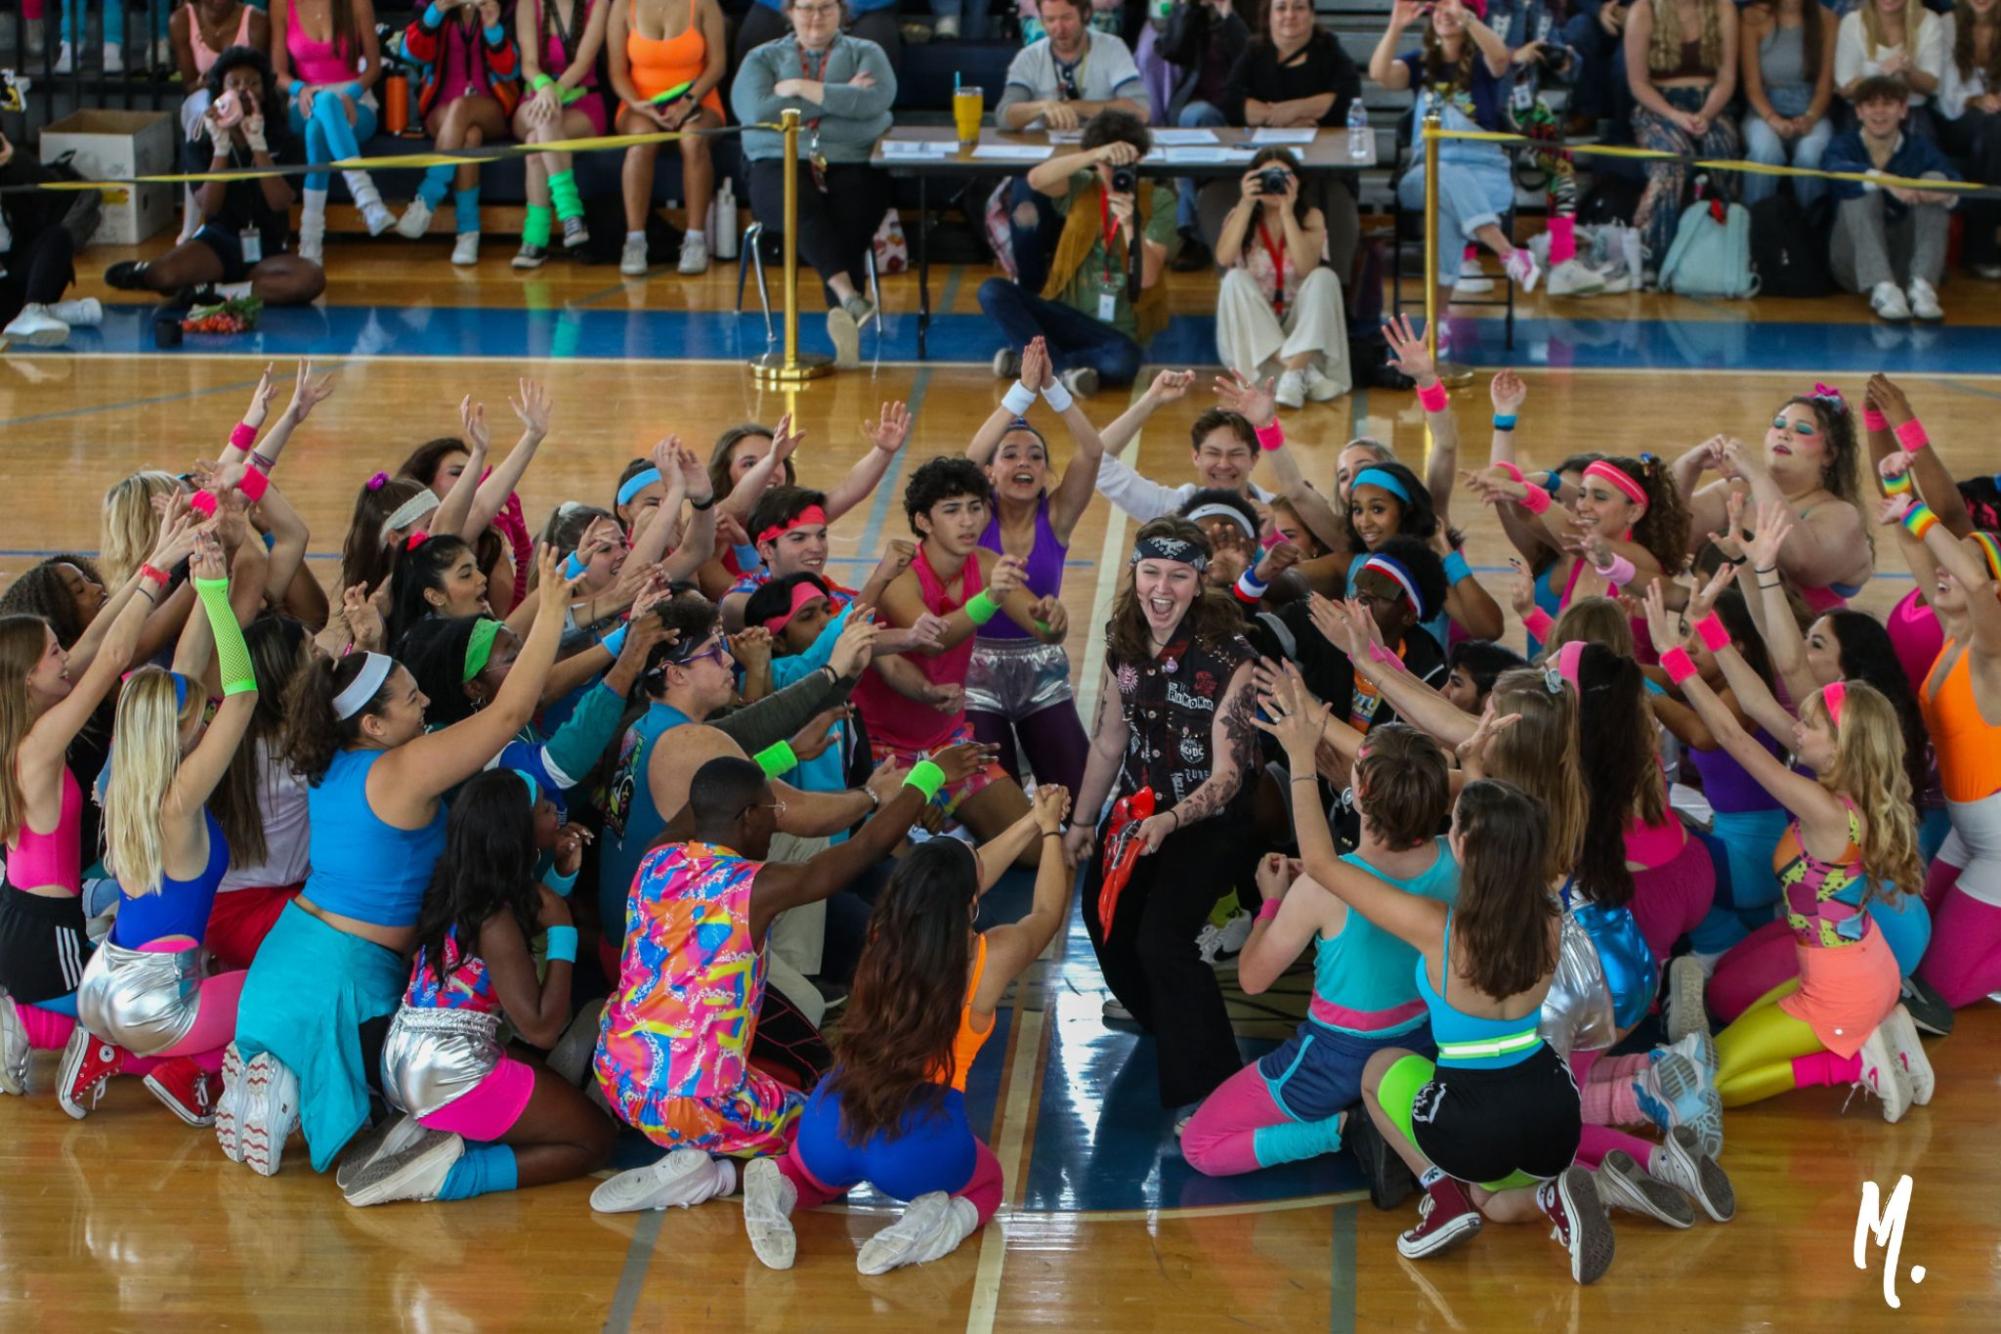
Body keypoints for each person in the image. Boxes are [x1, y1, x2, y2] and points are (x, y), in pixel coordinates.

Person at [218, 548, 572, 1178]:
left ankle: (270, 1078)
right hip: (345, 979)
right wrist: (553, 609)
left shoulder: (330, 757)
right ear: (375, 724)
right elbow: (510, 713)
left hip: (291, 954)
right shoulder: (404, 770)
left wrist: (372, 644)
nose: (427, 703)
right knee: (382, 1124)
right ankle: (287, 1089)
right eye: (412, 698)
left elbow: (360, 693)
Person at [1256, 668, 1613, 1285]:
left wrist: (1300, 761)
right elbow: (1495, 838)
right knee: (1498, 1202)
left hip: (1474, 1117)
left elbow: (1318, 860)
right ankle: (1552, 1197)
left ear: (1466, 850)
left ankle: (1442, 1196)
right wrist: (1474, 770)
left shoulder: (1436, 927)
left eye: (1455, 832)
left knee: (1376, 1073)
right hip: (1555, 1109)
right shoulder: (1551, 915)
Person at [587, 747, 982, 1212]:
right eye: (771, 811)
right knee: (831, 1145)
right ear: (749, 816)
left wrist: (780, 756)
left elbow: (706, 798)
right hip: (696, 1105)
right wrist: (931, 774)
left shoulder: (656, 860)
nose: (777, 822)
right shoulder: (755, 887)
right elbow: (865, 849)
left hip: (617, 1079)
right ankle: (710, 1176)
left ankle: (695, 1159)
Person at [738, 788, 1072, 1273]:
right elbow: (1045, 914)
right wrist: (1047, 830)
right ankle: (929, 1223)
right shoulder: (986, 958)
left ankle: (782, 1186)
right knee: (987, 1181)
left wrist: (1028, 821)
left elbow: (962, 876)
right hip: (918, 1142)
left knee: (813, 1177)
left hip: (831, 1117)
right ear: (971, 905)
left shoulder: (881, 935)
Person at [1641, 583, 1933, 1123]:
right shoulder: (1831, 775)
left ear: (1842, 745)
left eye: (1811, 725)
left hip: (1839, 994)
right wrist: (1708, 630)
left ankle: (1853, 1065)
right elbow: (1752, 702)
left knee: (1710, 1091)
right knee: (1714, 1056)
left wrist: (1674, 659)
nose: (1796, 728)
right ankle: (1877, 1031)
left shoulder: (1827, 811)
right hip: (1850, 972)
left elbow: (1731, 734)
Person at [1182, 725, 1458, 1179]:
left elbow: (1252, 978)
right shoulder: (1459, 858)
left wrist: (1273, 899)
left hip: (1333, 1061)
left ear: (1361, 792)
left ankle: (1346, 1129)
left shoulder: (1319, 888)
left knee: (1200, 1145)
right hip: (1422, 1045)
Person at [337, 771, 614, 1206]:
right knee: (595, 1139)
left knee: (541, 1076)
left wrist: (558, 876)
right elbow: (541, 1028)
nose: (553, 812)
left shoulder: (455, 889)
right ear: (516, 832)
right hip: (449, 1072)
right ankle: (452, 1176)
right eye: (543, 808)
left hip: (403, 1058)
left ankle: (419, 1127)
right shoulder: (495, 920)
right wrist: (564, 930)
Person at [0, 510, 200, 1105]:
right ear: (30, 677)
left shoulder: (24, 724)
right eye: (54, 653)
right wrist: (159, 569)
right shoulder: (36, 747)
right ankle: (19, 1020)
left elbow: (95, 646)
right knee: (128, 1025)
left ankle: (17, 1004)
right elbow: (112, 657)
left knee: (118, 1002)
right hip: (43, 931)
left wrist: (156, 560)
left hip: (25, 914)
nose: (66, 657)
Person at [1064, 517, 1258, 1114]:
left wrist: (1174, 821)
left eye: (1179, 575)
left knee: (1163, 941)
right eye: (1151, 572)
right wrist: (1080, 823)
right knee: (1105, 921)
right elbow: (1108, 741)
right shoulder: (1122, 638)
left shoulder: (1232, 657)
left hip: (1208, 820)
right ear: (1135, 574)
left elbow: (1229, 775)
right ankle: (1164, 1016)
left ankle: (1213, 1087)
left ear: (1199, 583)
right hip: (1137, 813)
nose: (1162, 588)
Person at [70, 532, 259, 1126]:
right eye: (198, 715)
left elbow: (182, 670)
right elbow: (243, 695)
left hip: (103, 982)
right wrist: (221, 604)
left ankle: (110, 1051)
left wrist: (209, 588)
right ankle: (184, 1074)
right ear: (177, 734)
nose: (206, 715)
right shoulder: (178, 801)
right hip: (154, 1004)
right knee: (270, 998)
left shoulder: (124, 782)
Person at [852, 458, 1052, 855]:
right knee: (894, 870)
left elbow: (1044, 629)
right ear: (923, 521)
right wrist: (990, 598)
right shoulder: (901, 573)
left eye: (976, 507)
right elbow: (930, 640)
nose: (968, 521)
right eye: (952, 510)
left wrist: (1055, 621)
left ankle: (954, 830)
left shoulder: (986, 564)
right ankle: (940, 826)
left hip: (948, 741)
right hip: (885, 750)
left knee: (1033, 850)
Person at [1883, 451, 2001, 1010]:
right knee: (1911, 940)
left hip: (1998, 843)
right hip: (1968, 827)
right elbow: (1920, 557)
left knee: (1940, 990)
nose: (1945, 573)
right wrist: (1896, 488)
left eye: (1962, 564)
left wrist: (1919, 515)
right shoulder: (1952, 638)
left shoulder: (1988, 657)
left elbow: (1977, 585)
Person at [962, 337, 1101, 795]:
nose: (1024, 462)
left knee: (1078, 798)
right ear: (990, 472)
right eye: (1011, 455)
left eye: (1036, 457)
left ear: (1046, 473)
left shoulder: (1057, 517)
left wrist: (1053, 389)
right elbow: (966, 460)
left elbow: (1092, 451)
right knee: (994, 804)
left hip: (1042, 667)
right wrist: (1020, 393)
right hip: (975, 670)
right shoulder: (973, 516)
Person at [731, 0, 896, 369]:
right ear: (789, 12)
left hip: (850, 158)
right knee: (797, 202)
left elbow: (876, 109)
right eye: (805, 8)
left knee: (854, 206)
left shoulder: (867, 52)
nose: (815, 17)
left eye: (825, 7)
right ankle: (846, 295)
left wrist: (800, 88)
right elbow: (758, 111)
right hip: (776, 158)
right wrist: (841, 97)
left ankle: (846, 316)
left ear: (842, 11)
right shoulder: (762, 58)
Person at [1370, 0, 1540, 351]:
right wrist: (1396, 25)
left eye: (1455, 6)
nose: (1446, 13)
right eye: (1439, 7)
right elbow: (1380, 75)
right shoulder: (1419, 63)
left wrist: (1469, 20)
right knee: (1440, 175)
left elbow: (1501, 59)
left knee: (1443, 209)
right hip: (1425, 169)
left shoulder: (1483, 62)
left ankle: (1438, 324)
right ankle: (1508, 252)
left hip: (1485, 171)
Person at [103, 44, 326, 307]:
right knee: (165, 277)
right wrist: (220, 149)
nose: (244, 90)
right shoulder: (202, 140)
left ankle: (217, 293)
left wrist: (259, 146)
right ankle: (152, 272)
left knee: (310, 279)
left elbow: (280, 202)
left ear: (264, 92)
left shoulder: (284, 139)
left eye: (253, 83)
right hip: (218, 242)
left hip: (267, 248)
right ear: (220, 91)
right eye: (235, 83)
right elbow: (209, 206)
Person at [978, 109, 1173, 398]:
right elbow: (1036, 180)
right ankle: (1061, 372)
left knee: (1124, 361)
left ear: (1140, 158)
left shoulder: (1159, 199)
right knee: (992, 291)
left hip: (1116, 332)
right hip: (1065, 314)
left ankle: (1034, 365)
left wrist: (1131, 224)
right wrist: (1092, 155)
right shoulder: (1083, 184)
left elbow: (1146, 279)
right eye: (1108, 163)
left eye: (1124, 162)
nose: (1115, 170)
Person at [1673, 386, 1874, 612]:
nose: (1784, 433)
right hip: (1731, 643)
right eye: (1778, 425)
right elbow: (1676, 535)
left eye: (1802, 430)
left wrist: (1758, 476)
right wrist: (1688, 467)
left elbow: (1802, 562)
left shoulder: (1841, 514)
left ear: (1829, 454)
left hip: (1800, 645)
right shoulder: (1737, 490)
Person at [995, 0, 1149, 291]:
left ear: (1086, 14)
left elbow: (1140, 110)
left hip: (1103, 162)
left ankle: (1119, 291)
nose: (1058, 28)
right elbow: (1005, 115)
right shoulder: (1030, 57)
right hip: (1050, 164)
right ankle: (1033, 294)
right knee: (1025, 207)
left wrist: (1076, 107)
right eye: (1050, 20)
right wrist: (1041, 106)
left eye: (1066, 18)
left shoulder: (1111, 48)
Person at [1214, 0, 1365, 280]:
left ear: (1311, 14)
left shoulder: (1329, 49)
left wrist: (1293, 109)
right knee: (1214, 193)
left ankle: (1337, 286)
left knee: (1337, 199)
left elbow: (1347, 98)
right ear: (1268, 16)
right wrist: (1279, 115)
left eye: (1298, 8)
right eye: (1281, 8)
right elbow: (1231, 102)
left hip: (1324, 165)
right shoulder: (1255, 50)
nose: (1289, 16)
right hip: (1262, 162)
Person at [1212, 148, 1351, 409]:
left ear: (1297, 182)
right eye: (1266, 177)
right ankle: (1300, 371)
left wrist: (1287, 212)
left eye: (1283, 176)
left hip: (1301, 330)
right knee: (1234, 279)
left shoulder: (1311, 217)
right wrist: (1246, 202)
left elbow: (1305, 266)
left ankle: (1296, 370)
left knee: (1324, 277)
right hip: (1257, 339)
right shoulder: (1240, 215)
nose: (1275, 184)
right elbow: (1224, 257)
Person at [1824, 76, 1961, 323]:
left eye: (1887, 104)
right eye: (1870, 104)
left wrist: (1940, 191)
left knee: (1937, 179)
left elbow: (1956, 182)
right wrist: (1885, 180)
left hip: (1904, 263)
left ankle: (1922, 287)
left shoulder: (1919, 147)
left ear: (1903, 110)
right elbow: (1835, 172)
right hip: (1853, 264)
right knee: (1860, 188)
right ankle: (1882, 287)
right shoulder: (1842, 145)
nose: (1879, 112)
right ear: (1859, 112)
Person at [396, 1, 522, 268]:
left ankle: (427, 197)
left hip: (489, 107)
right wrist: (437, 11)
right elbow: (409, 52)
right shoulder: (430, 5)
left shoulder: (505, 6)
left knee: (463, 110)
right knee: (470, 137)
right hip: (440, 108)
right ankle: (468, 232)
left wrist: (492, 28)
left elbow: (511, 70)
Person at [604, 0, 726, 277]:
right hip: (640, 104)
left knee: (693, 139)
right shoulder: (623, 6)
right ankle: (634, 240)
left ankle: (695, 239)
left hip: (697, 99)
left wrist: (688, 102)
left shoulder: (705, 5)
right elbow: (617, 71)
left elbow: (717, 64)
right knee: (641, 139)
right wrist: (637, 103)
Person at [1624, 0, 1740, 281]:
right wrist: (1675, 116)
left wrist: (1706, 115)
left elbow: (1726, 77)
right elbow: (1638, 82)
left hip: (1709, 105)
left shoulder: (1723, 8)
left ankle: (1724, 255)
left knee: (1720, 151)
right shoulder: (1644, 10)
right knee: (1672, 160)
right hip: (1659, 107)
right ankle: (1652, 255)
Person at [270, 0, 394, 261]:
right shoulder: (281, 4)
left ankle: (310, 240)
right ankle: (367, 198)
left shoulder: (358, 3)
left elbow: (374, 67)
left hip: (355, 101)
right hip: (305, 101)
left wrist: (351, 94)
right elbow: (277, 72)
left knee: (317, 130)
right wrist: (299, 89)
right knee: (323, 102)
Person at [510, 0, 611, 268]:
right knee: (543, 126)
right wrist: (544, 87)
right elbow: (528, 64)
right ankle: (571, 215)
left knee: (536, 143)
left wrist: (556, 92)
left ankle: (535, 238)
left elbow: (583, 62)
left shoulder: (598, 4)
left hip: (582, 102)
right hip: (535, 99)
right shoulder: (528, 4)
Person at [1093, 375, 1272, 522]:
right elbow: (1097, 465)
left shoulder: (1277, 511)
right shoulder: (1176, 510)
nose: (1224, 464)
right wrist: (1151, 400)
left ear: (1253, 459)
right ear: (1196, 457)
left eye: (1235, 454)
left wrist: (1269, 426)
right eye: (1213, 453)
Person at [1157, 0, 1251, 270]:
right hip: (1195, 112)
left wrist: (1227, 12)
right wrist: (1188, 8)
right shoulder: (1194, 10)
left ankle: (1190, 232)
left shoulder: (1255, 9)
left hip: (1239, 111)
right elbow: (1172, 49)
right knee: (1194, 119)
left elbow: (1249, 55)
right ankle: (1193, 231)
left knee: (1194, 120)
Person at [168, 0, 270, 244]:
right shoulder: (181, 20)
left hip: (246, 98)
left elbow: (258, 78)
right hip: (201, 97)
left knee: (232, 110)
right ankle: (191, 227)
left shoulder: (256, 20)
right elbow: (190, 83)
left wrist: (232, 90)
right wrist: (220, 89)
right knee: (203, 116)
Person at [0, 131, 105, 349]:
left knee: (58, 237)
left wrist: (14, 159)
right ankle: (53, 312)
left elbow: (59, 193)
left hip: (18, 275)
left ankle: (33, 310)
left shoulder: (10, 172)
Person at [1739, 0, 1835, 208]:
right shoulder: (1753, 18)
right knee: (1765, 152)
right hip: (1764, 109)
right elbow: (1752, 86)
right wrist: (1774, 120)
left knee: (1810, 156)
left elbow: (1825, 85)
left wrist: (1811, 117)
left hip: (1811, 107)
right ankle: (1755, 226)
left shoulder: (1827, 19)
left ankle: (1811, 229)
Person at [1940, 0, 2001, 280]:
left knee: (1993, 132)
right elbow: (1945, 98)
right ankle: (1980, 249)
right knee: (1991, 132)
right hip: (1956, 118)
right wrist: (1977, 100)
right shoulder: (1948, 25)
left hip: (1994, 123)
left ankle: (1979, 249)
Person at [1835, 0, 1948, 129]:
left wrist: (1909, 71)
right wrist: (1879, 73)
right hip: (1864, 113)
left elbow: (1931, 86)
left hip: (1910, 110)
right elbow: (1845, 90)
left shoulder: (1930, 21)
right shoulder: (1852, 23)